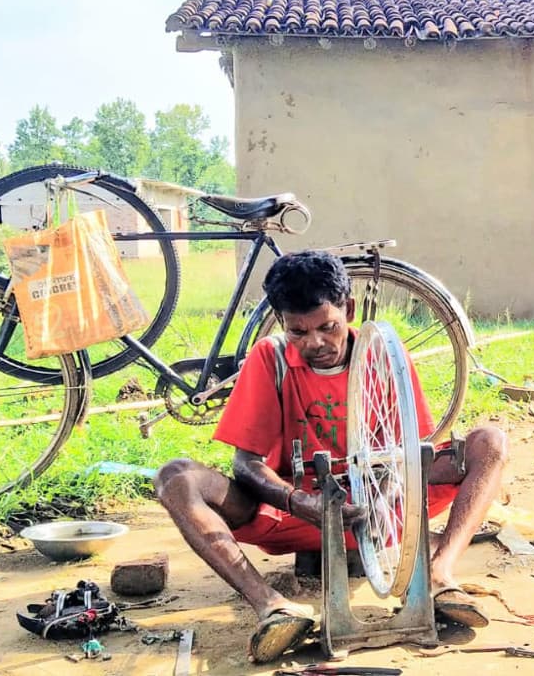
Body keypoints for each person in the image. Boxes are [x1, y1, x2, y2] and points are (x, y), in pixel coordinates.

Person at [155, 250, 508, 663]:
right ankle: (272, 606)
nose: (315, 343)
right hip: (293, 512)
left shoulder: (383, 354)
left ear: (349, 309)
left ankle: (438, 574)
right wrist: (299, 501)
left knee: (490, 442)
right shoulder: (269, 359)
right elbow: (245, 463)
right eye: (298, 332)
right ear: (282, 323)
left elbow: (410, 451)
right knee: (176, 477)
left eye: (328, 327)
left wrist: (388, 493)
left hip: (381, 509)